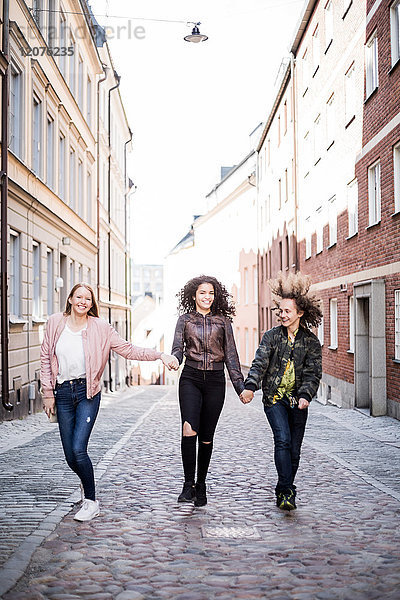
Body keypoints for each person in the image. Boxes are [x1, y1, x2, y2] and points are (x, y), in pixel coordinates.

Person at [41, 283, 178, 522]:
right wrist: (47, 393)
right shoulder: (55, 322)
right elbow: (45, 357)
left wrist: (160, 355)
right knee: (69, 456)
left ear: (92, 304)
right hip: (62, 392)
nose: (83, 301)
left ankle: (91, 501)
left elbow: (128, 349)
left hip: (87, 393)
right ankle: (86, 483)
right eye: (79, 297)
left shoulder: (101, 328)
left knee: (78, 449)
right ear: (71, 299)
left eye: (88, 298)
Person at [240, 272, 322, 511]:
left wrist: (306, 395)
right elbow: (259, 363)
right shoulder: (271, 337)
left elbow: (313, 372)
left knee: (294, 451)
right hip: (274, 399)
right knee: (283, 440)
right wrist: (250, 387)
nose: (283, 315)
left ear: (300, 312)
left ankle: (283, 486)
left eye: (288, 311)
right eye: (281, 311)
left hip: (298, 401)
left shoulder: (310, 342)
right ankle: (287, 492)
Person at [171, 275, 245, 507]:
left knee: (206, 437)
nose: (207, 297)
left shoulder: (223, 322)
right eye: (203, 292)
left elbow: (231, 356)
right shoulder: (184, 320)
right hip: (190, 378)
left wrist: (240, 387)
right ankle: (187, 485)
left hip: (214, 381)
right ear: (194, 295)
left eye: (211, 293)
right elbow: (177, 348)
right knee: (189, 429)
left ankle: (201, 484)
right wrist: (174, 359)